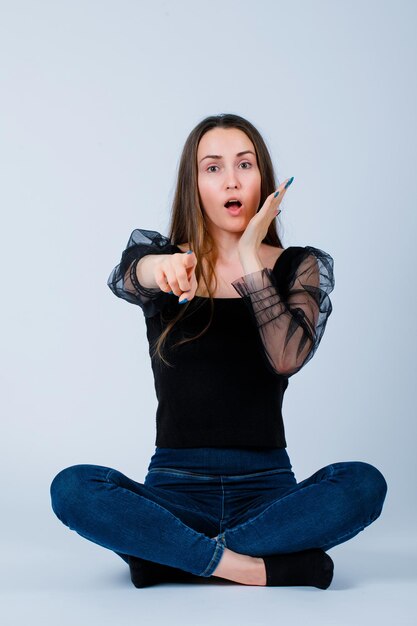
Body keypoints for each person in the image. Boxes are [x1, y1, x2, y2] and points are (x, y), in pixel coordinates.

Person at [50, 113, 387, 589]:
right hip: (174, 488)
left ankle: (169, 556)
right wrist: (158, 267)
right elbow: (130, 276)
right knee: (73, 487)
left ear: (264, 180)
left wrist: (251, 257)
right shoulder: (167, 260)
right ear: (195, 184)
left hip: (268, 491)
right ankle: (256, 568)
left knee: (363, 483)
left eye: (244, 164)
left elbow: (286, 358)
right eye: (213, 168)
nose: (231, 179)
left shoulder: (297, 266)